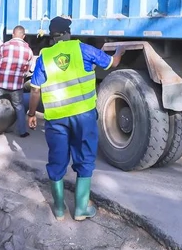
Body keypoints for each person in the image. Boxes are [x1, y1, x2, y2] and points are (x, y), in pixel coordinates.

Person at [27, 17, 125, 221]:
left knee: (57, 160)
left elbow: (35, 91)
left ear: (53, 36)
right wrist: (120, 52)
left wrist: (31, 114)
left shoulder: (45, 57)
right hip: (83, 116)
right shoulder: (83, 49)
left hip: (56, 119)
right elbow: (112, 63)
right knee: (85, 157)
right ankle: (81, 209)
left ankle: (59, 209)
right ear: (67, 33)